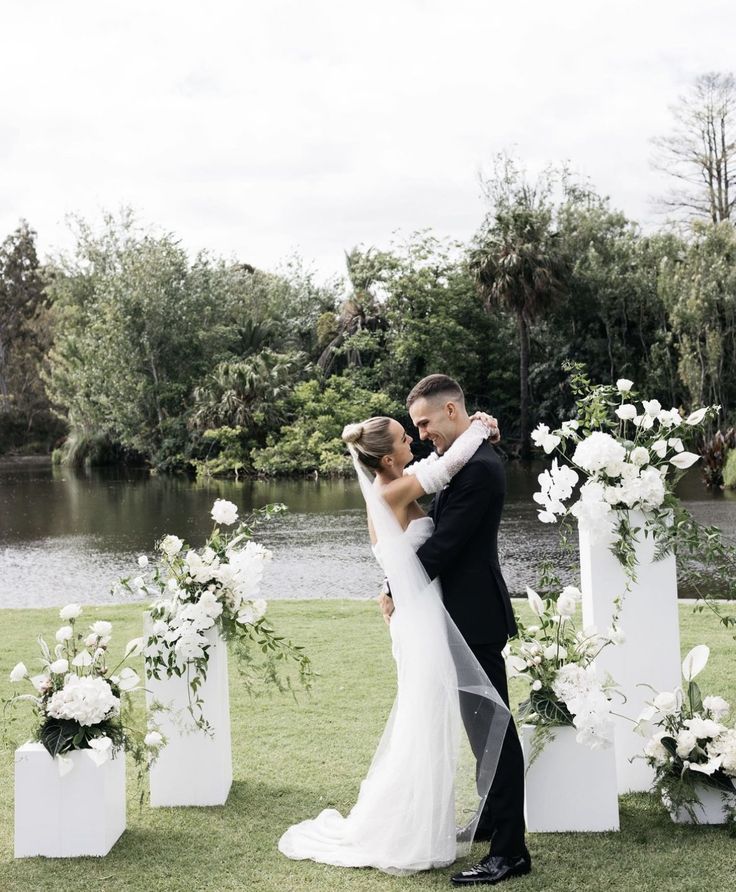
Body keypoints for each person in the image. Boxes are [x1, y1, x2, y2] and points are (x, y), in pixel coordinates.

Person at [277, 408, 511, 875]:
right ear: (386, 459)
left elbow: (436, 491)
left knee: (431, 715)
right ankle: (411, 828)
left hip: (422, 611)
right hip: (422, 618)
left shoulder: (393, 485)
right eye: (407, 438)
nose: (415, 444)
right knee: (424, 719)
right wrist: (480, 429)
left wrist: (388, 588)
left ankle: (468, 819)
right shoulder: (393, 489)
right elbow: (444, 470)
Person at [391, 373, 531, 887]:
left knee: (496, 729)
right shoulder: (467, 457)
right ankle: (493, 820)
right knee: (481, 731)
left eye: (425, 423)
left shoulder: (480, 471)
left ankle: (511, 852)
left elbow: (443, 545)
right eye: (416, 428)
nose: (423, 433)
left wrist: (395, 589)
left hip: (475, 617)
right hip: (460, 616)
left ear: (452, 412)